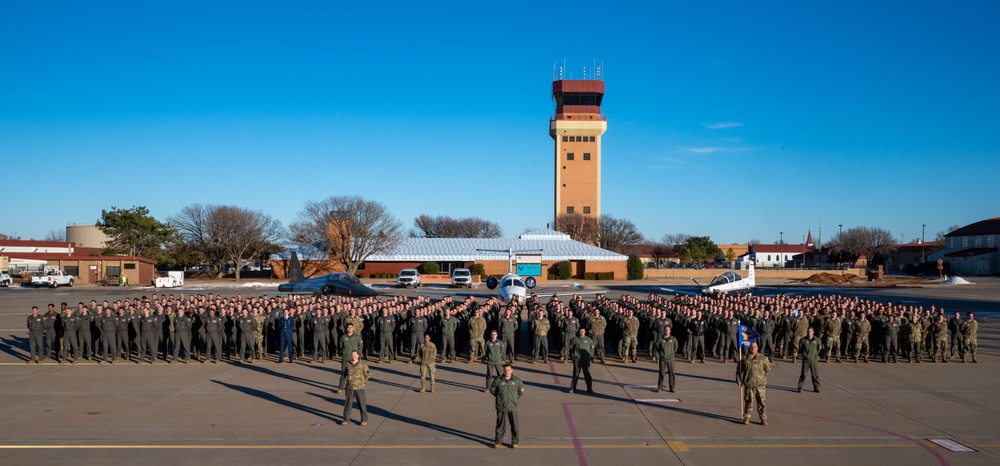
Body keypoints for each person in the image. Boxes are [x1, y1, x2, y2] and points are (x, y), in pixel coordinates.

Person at [490, 363, 524, 449]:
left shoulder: (517, 380)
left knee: (515, 426)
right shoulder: (498, 380)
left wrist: (514, 399)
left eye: (508, 370)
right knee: (500, 426)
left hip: (513, 407)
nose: (507, 372)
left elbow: (520, 392)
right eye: (505, 370)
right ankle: (498, 442)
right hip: (501, 407)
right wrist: (500, 398)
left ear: (512, 371)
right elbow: (493, 390)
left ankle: (515, 442)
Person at [736, 341, 771, 425]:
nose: (753, 348)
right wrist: (739, 380)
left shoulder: (763, 358)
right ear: (749, 348)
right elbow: (738, 371)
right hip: (749, 384)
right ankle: (747, 417)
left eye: (755, 347)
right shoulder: (744, 359)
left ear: (757, 348)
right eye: (751, 347)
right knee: (748, 401)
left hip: (760, 385)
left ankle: (763, 418)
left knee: (761, 402)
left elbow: (768, 369)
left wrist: (762, 377)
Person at [341, 350, 370, 426]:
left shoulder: (363, 365)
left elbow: (367, 375)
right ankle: (346, 419)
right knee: (348, 404)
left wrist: (362, 383)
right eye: (352, 355)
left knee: (362, 404)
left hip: (359, 388)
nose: (353, 356)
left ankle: (364, 419)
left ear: (358, 355)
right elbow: (343, 375)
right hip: (349, 388)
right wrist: (342, 386)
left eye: (355, 355)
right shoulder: (348, 365)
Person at [568, 328, 594, 394]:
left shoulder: (589, 340)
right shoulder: (575, 340)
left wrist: (590, 357)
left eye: (583, 331)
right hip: (577, 360)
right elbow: (571, 348)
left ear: (585, 332)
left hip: (586, 360)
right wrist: (573, 357)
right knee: (576, 374)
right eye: (580, 331)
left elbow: (592, 349)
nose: (581, 332)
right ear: (579, 332)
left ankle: (589, 388)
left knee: (587, 374)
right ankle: (572, 388)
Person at [653, 326, 678, 393]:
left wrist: (672, 353)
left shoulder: (673, 339)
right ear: (664, 331)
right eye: (666, 330)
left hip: (671, 359)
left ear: (670, 331)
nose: (667, 331)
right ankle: (660, 387)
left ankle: (672, 387)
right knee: (662, 373)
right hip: (663, 359)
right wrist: (661, 354)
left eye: (668, 330)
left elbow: (676, 347)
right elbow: (657, 347)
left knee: (672, 373)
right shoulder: (660, 339)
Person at [797, 327, 821, 393]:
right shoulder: (803, 340)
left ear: (813, 332)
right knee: (803, 374)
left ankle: (816, 388)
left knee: (815, 375)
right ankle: (800, 387)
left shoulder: (817, 340)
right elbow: (800, 349)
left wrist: (815, 356)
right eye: (808, 331)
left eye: (810, 331)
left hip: (813, 360)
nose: (809, 333)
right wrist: (804, 355)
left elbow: (819, 349)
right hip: (806, 360)